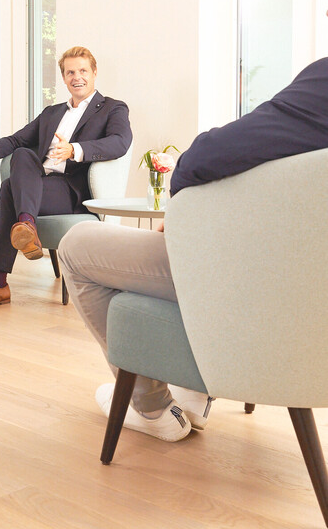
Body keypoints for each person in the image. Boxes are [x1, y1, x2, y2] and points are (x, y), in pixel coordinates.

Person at [58, 56, 328, 442]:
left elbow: (208, 154)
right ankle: (194, 391)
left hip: (258, 282)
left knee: (76, 246)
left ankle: (151, 407)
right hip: (309, 300)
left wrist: (186, 212)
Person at [0, 46, 132, 309]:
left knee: (9, 189)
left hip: (70, 190)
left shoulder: (112, 108)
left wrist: (75, 149)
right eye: (70, 72)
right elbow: (17, 140)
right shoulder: (52, 113)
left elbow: (120, 142)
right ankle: (26, 227)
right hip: (36, 184)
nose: (77, 77)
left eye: (83, 71)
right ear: (64, 78)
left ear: (94, 73)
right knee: (22, 154)